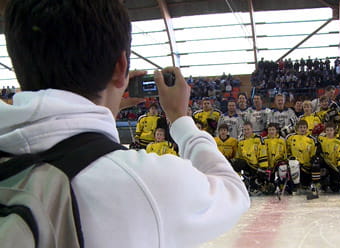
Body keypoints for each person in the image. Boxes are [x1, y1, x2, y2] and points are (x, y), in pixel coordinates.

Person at [0, 1, 250, 247]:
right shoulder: (145, 181)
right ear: (121, 67)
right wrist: (179, 118)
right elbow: (233, 192)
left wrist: (107, 103)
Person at [285, 120, 318, 191]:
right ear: (297, 128)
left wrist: (313, 160)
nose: (302, 129)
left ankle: (312, 184)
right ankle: (295, 186)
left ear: (307, 128)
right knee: (293, 164)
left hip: (306, 166)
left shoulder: (311, 139)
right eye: (301, 127)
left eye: (304, 127)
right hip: (295, 164)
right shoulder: (290, 137)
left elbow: (313, 152)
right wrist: (289, 157)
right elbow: (286, 150)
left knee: (305, 183)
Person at [316, 122, 340, 192]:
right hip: (325, 163)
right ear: (325, 131)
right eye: (327, 130)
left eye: (331, 130)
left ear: (334, 131)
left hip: (335, 165)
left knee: (335, 188)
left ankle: (330, 182)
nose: (329, 132)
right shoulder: (321, 139)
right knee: (316, 163)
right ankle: (319, 183)